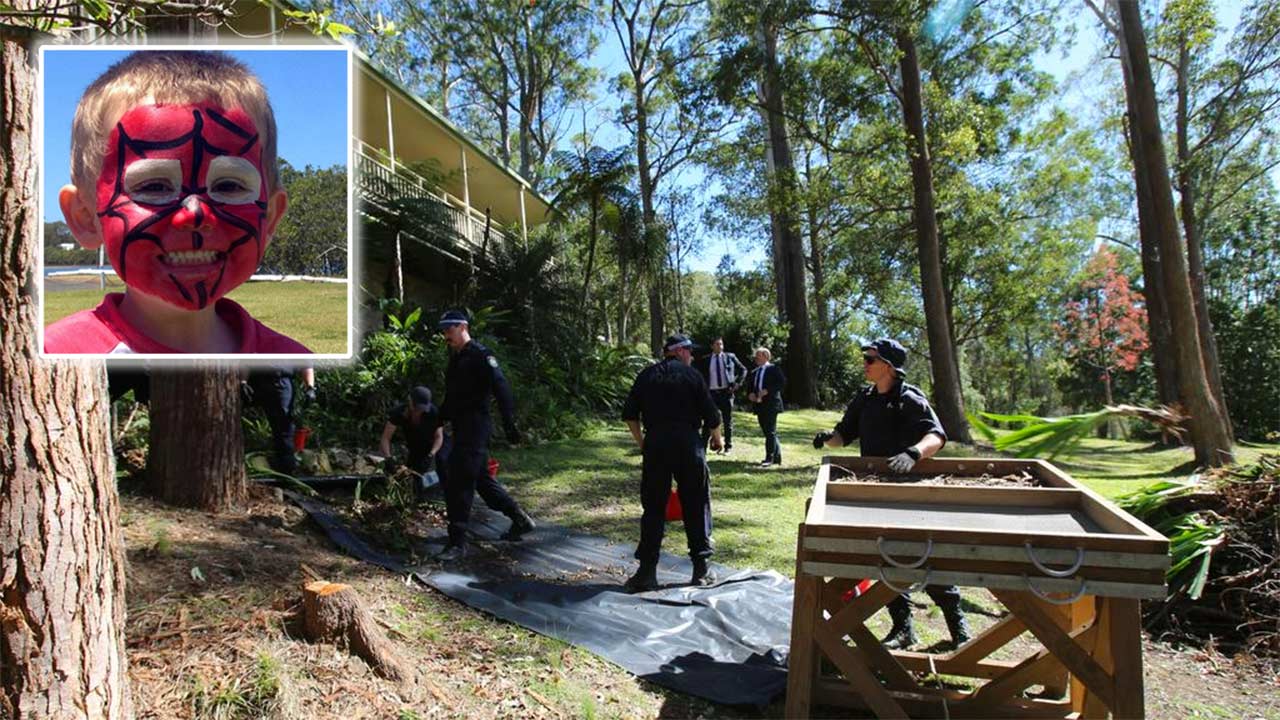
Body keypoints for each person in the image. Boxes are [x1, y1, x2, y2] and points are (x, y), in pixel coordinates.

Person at [45, 50, 308, 354]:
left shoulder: (291, 360)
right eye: (154, 186)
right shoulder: (53, 354)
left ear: (270, 217)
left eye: (229, 185)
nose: (195, 214)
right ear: (85, 217)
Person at [812, 338, 969, 649]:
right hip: (873, 492)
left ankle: (959, 631)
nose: (865, 364)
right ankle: (903, 628)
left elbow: (936, 435)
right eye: (866, 358)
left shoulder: (910, 399)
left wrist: (913, 453)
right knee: (885, 558)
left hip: (909, 495)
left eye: (870, 359)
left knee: (925, 558)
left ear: (889, 366)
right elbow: (844, 435)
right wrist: (828, 437)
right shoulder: (864, 398)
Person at [621, 334, 724, 592]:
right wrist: (717, 439)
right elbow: (712, 416)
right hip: (688, 444)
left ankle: (646, 572)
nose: (692, 356)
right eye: (689, 351)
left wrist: (643, 443)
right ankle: (701, 570)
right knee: (696, 503)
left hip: (656, 444)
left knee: (654, 506)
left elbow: (630, 415)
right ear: (679, 351)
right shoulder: (693, 376)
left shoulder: (647, 375)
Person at [435, 310, 535, 561]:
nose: (446, 335)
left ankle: (457, 543)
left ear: (463, 327)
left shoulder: (481, 355)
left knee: (460, 479)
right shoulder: (455, 359)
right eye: (443, 330)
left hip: (475, 426)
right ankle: (519, 519)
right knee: (481, 480)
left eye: (449, 329)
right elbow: (452, 396)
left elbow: (501, 387)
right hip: (461, 426)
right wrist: (437, 418)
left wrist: (509, 422)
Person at [246, 365, 316, 476]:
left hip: (280, 382)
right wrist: (243, 382)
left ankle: (287, 472)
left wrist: (310, 388)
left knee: (284, 429)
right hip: (255, 383)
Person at [379, 385, 445, 496]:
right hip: (414, 446)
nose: (419, 411)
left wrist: (431, 455)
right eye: (417, 408)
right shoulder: (399, 412)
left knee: (431, 482)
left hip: (433, 448)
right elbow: (385, 438)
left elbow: (439, 437)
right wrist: (388, 458)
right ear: (410, 402)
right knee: (410, 480)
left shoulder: (434, 413)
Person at [695, 337, 748, 453]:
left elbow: (743, 370)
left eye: (721, 344)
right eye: (717, 344)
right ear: (712, 346)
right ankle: (703, 448)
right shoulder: (706, 360)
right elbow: (699, 375)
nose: (720, 346)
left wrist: (737, 384)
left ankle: (728, 447)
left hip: (726, 393)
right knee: (708, 420)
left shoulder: (730, 357)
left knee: (727, 420)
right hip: (711, 394)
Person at [747, 347, 785, 467]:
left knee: (770, 431)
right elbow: (750, 387)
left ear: (766, 357)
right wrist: (750, 394)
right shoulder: (755, 372)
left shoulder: (774, 369)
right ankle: (777, 456)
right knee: (768, 431)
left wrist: (768, 390)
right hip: (759, 405)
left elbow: (782, 383)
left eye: (758, 356)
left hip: (771, 404)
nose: (756, 358)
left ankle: (770, 457)